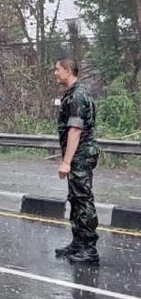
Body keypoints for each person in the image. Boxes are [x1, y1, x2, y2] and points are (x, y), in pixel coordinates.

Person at [53, 57, 100, 264]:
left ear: (68, 70)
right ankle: (78, 243)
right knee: (75, 198)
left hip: (80, 154)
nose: (55, 73)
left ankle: (89, 249)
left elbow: (75, 130)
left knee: (83, 200)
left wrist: (66, 161)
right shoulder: (72, 94)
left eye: (57, 69)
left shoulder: (78, 96)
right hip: (78, 155)